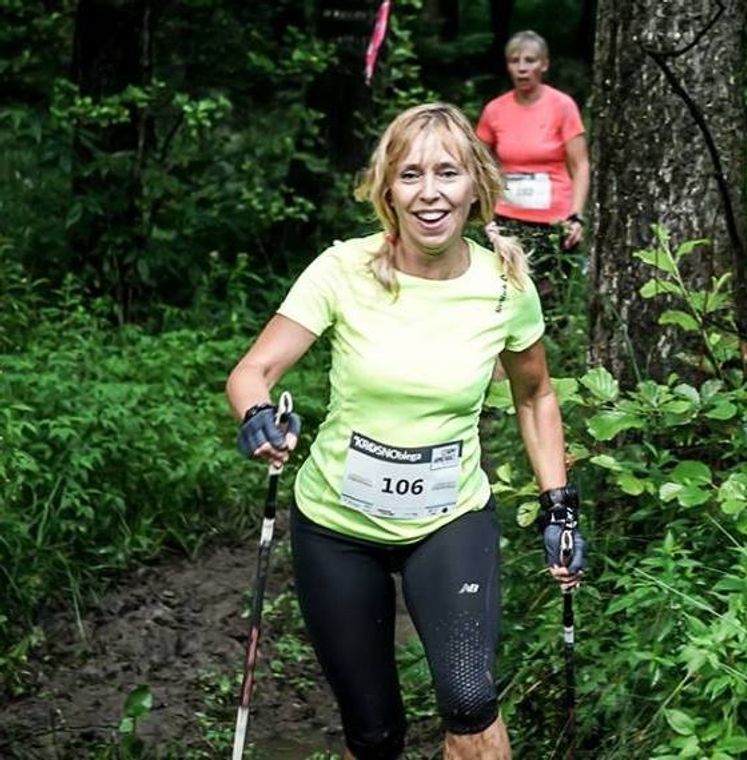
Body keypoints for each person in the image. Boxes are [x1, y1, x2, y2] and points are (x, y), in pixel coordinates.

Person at [225, 103, 586, 760]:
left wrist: (558, 505)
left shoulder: (503, 284)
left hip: (450, 519)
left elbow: (536, 395)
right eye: (411, 175)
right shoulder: (343, 270)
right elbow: (255, 370)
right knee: (373, 732)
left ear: (476, 184)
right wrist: (257, 418)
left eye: (447, 173)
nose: (430, 193)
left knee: (470, 700)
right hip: (336, 525)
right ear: (386, 189)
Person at [476, 30, 590, 299]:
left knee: (549, 299)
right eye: (515, 61)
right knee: (506, 294)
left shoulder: (562, 106)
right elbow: (477, 163)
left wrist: (576, 216)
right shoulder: (495, 110)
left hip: (553, 220)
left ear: (544, 64)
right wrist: (484, 211)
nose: (522, 68)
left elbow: (581, 165)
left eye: (530, 60)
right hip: (507, 217)